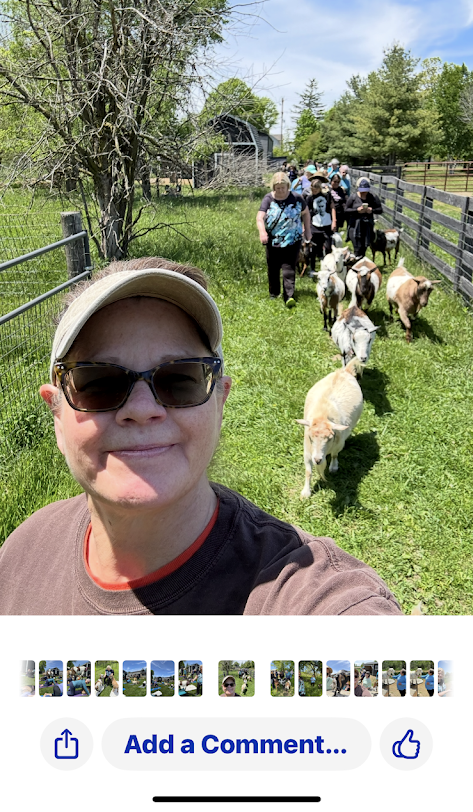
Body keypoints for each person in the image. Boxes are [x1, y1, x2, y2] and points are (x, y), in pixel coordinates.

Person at [0, 255, 402, 617]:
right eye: (99, 382)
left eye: (180, 378)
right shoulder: (22, 553)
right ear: (57, 415)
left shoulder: (305, 595)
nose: (141, 409)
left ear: (219, 403)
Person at [257, 172, 311, 307]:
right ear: (273, 187)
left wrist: (307, 230)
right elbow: (259, 217)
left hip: (293, 239)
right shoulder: (268, 199)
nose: (280, 190)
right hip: (273, 239)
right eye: (278, 188)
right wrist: (262, 232)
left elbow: (306, 213)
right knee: (273, 267)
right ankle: (274, 293)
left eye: (283, 187)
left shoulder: (297, 198)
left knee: (289, 267)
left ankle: (289, 296)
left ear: (288, 186)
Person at [302, 172, 337, 275]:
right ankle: (312, 269)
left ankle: (329, 268)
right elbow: (306, 213)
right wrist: (305, 226)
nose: (314, 192)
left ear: (319, 188)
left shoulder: (327, 195)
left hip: (326, 224)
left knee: (328, 247)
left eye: (316, 190)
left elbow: (332, 207)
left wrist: (334, 221)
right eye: (312, 190)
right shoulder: (309, 198)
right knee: (313, 248)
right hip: (314, 225)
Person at [344, 177, 383, 258]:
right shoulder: (353, 197)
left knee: (364, 248)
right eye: (362, 191)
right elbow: (346, 210)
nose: (364, 193)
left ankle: (360, 261)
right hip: (355, 226)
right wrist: (357, 210)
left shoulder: (372, 197)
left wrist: (371, 210)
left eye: (365, 191)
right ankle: (356, 261)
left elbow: (380, 210)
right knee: (357, 248)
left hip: (367, 226)